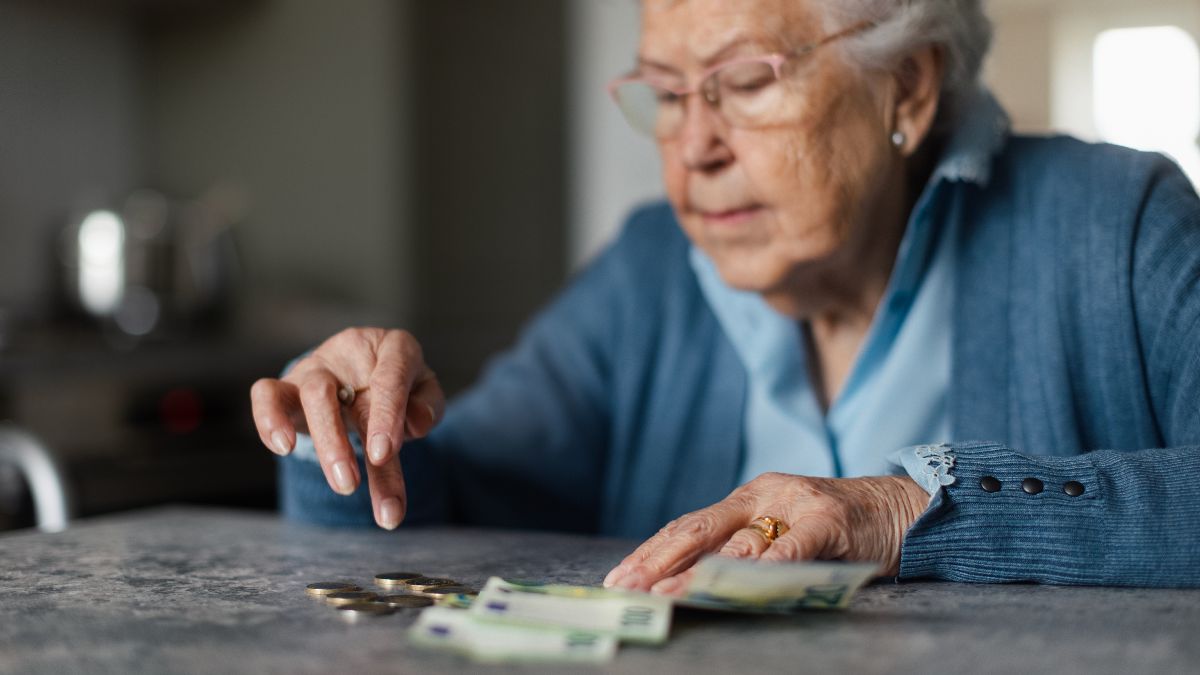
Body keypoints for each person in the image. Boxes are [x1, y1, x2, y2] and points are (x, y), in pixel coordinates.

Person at [250, 0, 1200, 590]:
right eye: (666, 95)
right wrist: (344, 430)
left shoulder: (1117, 226)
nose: (693, 146)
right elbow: (439, 501)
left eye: (744, 82)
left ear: (905, 89)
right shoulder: (652, 270)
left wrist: (901, 510)